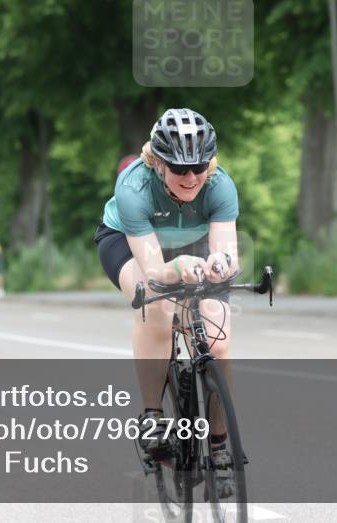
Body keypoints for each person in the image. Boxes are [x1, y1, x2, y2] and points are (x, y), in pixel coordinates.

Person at [94, 108, 240, 489]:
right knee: (156, 307)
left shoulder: (221, 185)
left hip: (190, 244)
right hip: (128, 245)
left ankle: (221, 442)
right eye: (179, 168)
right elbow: (157, 271)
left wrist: (219, 267)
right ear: (158, 163)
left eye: (200, 166)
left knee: (219, 343)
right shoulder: (133, 188)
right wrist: (177, 269)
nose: (191, 177)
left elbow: (226, 252)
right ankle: (153, 415)